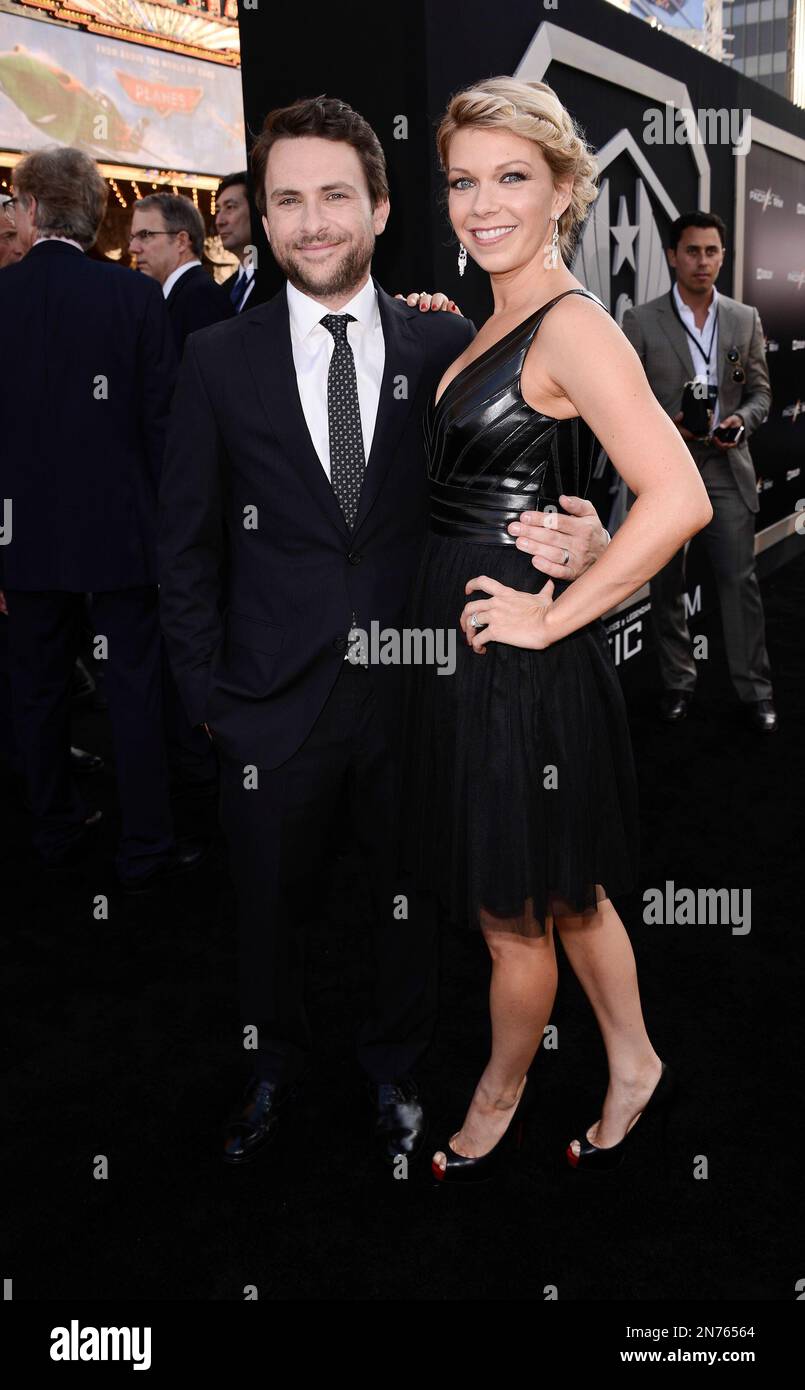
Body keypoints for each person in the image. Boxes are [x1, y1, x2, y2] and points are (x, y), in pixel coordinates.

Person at [395, 77, 713, 1183]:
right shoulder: (499, 314)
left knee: (511, 914)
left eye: (511, 179)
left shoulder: (574, 324)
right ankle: (632, 1060)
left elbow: (679, 499)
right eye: (462, 181)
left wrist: (553, 618)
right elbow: (520, 455)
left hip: (510, 657)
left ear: (566, 189)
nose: (481, 205)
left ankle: (498, 1090)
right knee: (566, 887)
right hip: (478, 637)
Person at [0, 146, 207, 889]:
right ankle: (146, 845)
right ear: (93, 216)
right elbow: (165, 429)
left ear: (28, 210)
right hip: (121, 534)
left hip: (20, 538)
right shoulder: (132, 299)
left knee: (37, 687)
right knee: (131, 686)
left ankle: (54, 829)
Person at [621, 212, 777, 735]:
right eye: (692, 251)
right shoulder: (641, 322)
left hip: (727, 469)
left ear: (722, 256)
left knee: (740, 582)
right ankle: (678, 682)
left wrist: (741, 420)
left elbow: (758, 393)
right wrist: (671, 426)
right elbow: (626, 403)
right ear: (672, 256)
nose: (703, 261)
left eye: (712, 251)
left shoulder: (743, 319)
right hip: (665, 472)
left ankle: (755, 691)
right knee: (666, 585)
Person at [129, 193, 234, 352]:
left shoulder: (202, 297)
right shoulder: (181, 295)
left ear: (181, 241)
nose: (133, 248)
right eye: (133, 237)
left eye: (145, 235)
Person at [215, 171, 274, 312]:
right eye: (217, 210)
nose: (219, 221)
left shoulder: (282, 281)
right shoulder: (223, 291)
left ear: (256, 210)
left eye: (230, 207)